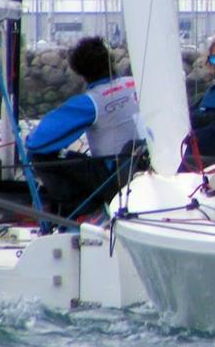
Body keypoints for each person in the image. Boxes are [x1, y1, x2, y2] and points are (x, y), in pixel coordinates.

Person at [25, 36, 146, 217]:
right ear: (110, 60)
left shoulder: (91, 101)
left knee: (39, 157)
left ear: (80, 73)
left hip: (115, 177)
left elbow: (37, 142)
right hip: (145, 164)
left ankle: (81, 210)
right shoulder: (136, 83)